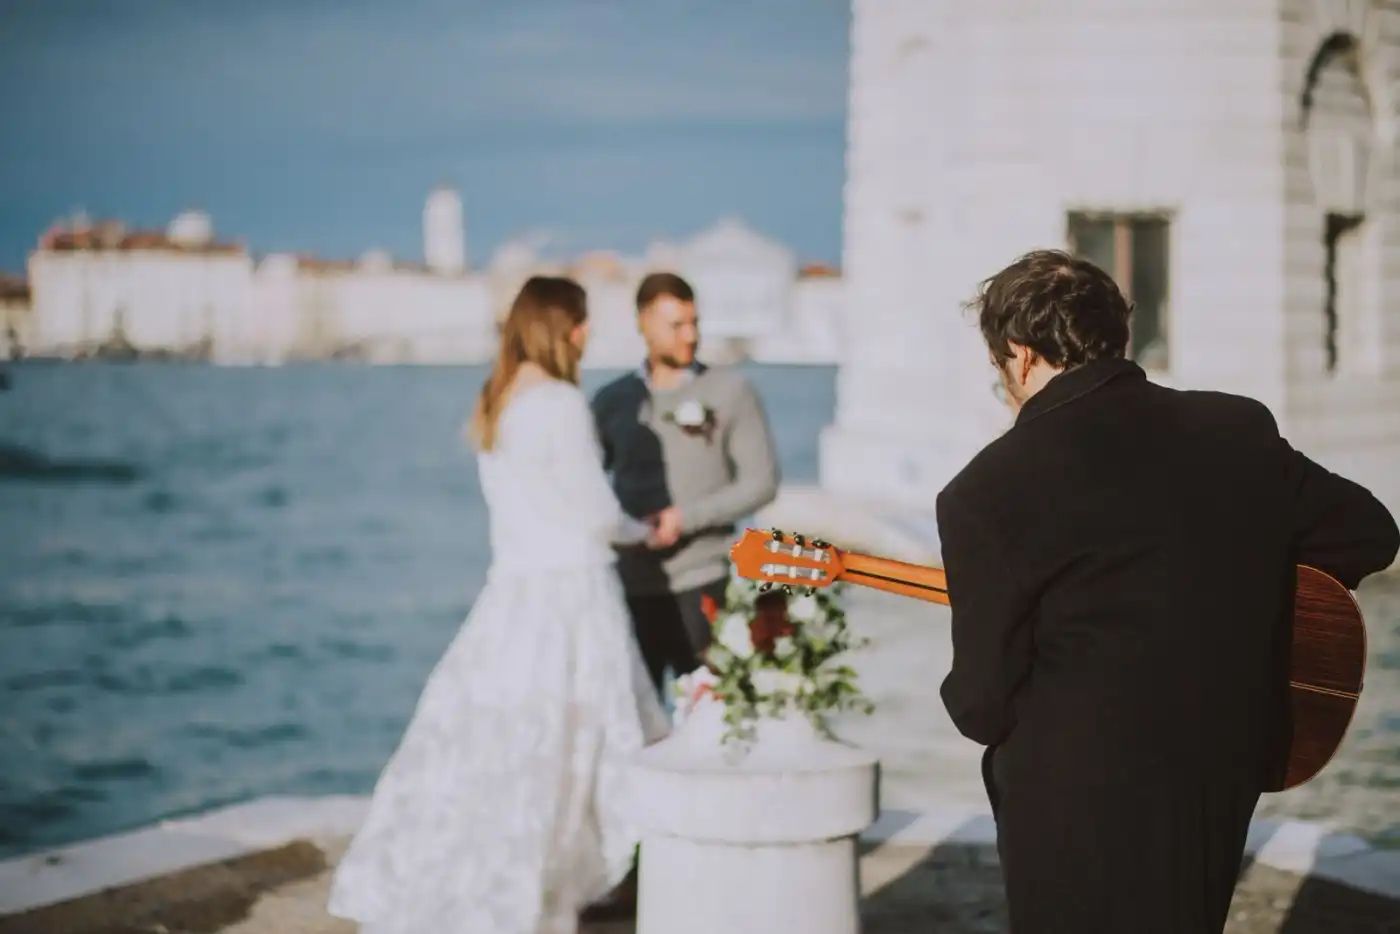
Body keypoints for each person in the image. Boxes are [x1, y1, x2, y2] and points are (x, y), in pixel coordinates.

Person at [937, 250, 1399, 933]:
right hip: (1215, 772)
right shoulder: (1234, 428)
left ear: (1021, 355)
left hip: (1073, 798)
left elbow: (982, 705)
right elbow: (1370, 534)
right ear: (1115, 336)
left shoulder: (985, 490)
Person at [327, 276, 671, 934]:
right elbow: (596, 511)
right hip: (570, 597)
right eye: (581, 322)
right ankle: (565, 883)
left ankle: (508, 885)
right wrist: (646, 530)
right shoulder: (561, 404)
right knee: (583, 740)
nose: (588, 334)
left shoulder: (499, 398)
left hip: (511, 597)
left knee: (506, 739)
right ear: (559, 329)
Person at [591, 271, 781, 698]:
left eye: (694, 323)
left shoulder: (732, 391)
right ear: (643, 323)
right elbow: (586, 483)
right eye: (676, 325)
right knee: (632, 719)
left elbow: (762, 482)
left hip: (705, 582)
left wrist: (685, 518)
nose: (690, 336)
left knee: (713, 717)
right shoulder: (612, 400)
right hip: (629, 588)